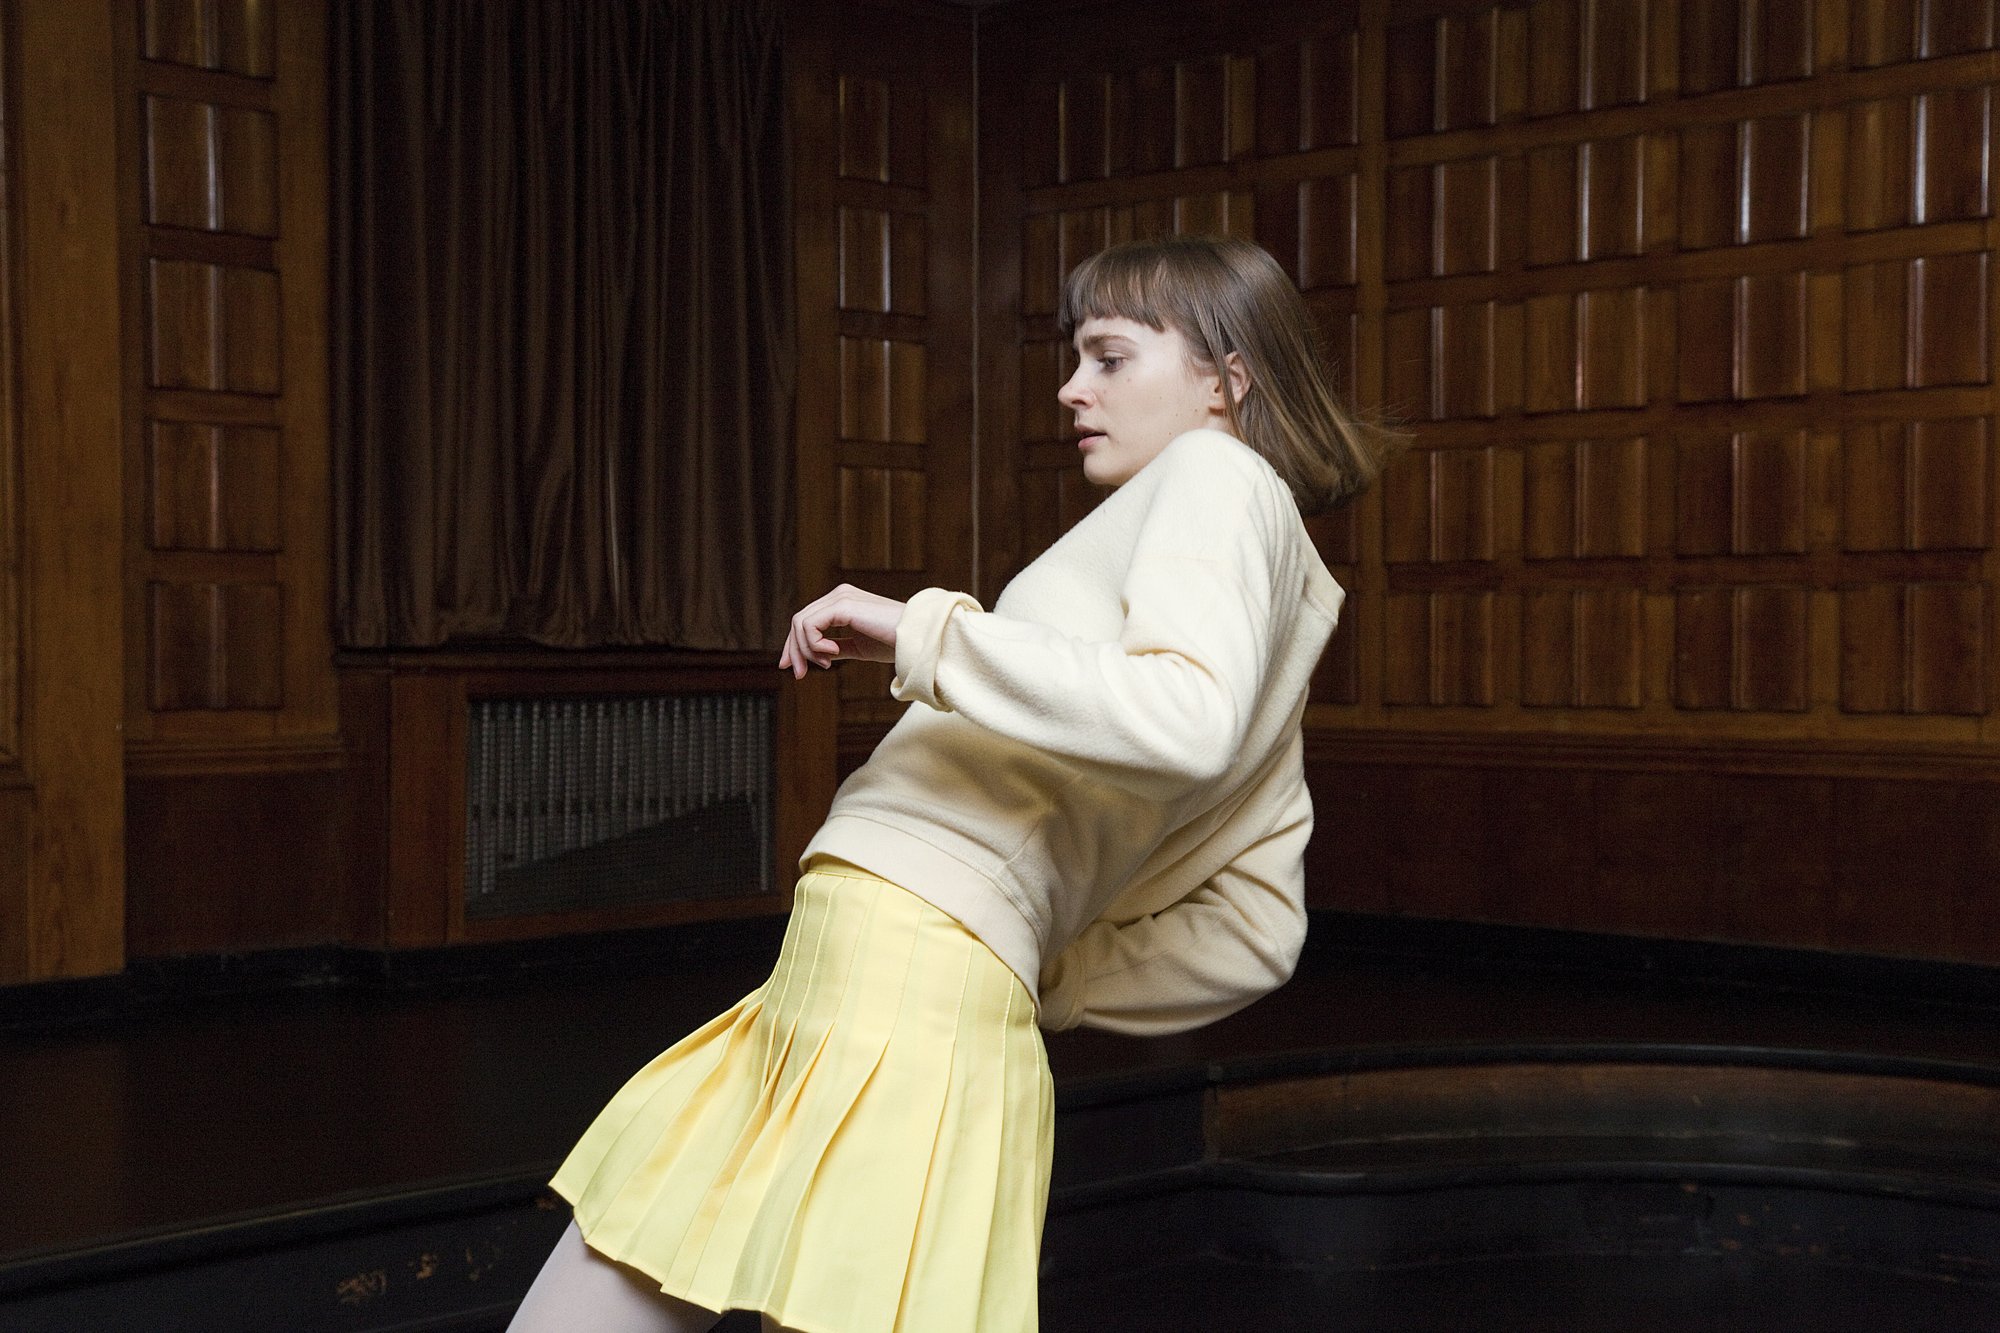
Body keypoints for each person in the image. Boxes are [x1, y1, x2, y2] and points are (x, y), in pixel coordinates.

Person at [508, 234, 1388, 1333]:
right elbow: (1258, 927)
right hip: (892, 966)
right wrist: (1043, 965)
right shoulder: (1259, 576)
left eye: (1110, 357)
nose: (1072, 388)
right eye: (1077, 356)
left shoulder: (1218, 475)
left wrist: (920, 630)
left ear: (1226, 381)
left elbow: (1186, 716)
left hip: (904, 967)